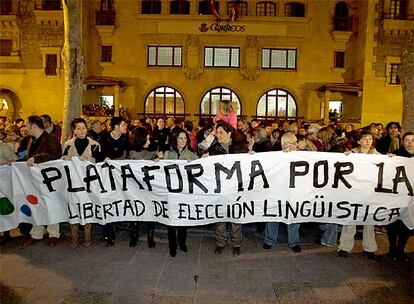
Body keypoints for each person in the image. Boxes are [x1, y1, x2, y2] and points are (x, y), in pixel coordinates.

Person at [204, 121, 248, 256]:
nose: (218, 135)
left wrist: (252, 156)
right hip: (220, 189)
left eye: (221, 132)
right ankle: (220, 243)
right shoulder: (213, 149)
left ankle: (236, 244)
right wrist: (204, 159)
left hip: (236, 188)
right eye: (216, 133)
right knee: (220, 217)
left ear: (229, 133)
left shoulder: (240, 148)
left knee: (236, 217)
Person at [338, 130, 379, 260]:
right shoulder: (353, 154)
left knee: (369, 220)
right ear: (358, 141)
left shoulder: (377, 155)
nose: (367, 141)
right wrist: (345, 157)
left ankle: (370, 248)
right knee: (351, 218)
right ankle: (344, 247)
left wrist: (390, 158)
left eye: (370, 139)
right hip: (354, 191)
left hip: (370, 192)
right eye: (365, 138)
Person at [22, 115, 62, 247]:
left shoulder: (51, 140)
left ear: (34, 126)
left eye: (27, 126)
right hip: (35, 179)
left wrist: (37, 158)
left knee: (51, 205)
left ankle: (53, 233)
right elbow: (28, 158)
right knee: (35, 204)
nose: (25, 128)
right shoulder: (31, 140)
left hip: (49, 180)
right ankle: (37, 232)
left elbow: (55, 155)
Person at [62, 118, 101, 249]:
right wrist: (65, 159)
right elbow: (61, 163)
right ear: (74, 130)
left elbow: (99, 164)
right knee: (73, 209)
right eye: (78, 128)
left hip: (88, 184)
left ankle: (88, 237)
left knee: (87, 209)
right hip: (73, 185)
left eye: (83, 127)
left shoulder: (95, 144)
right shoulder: (67, 145)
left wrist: (88, 160)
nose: (82, 130)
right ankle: (74, 238)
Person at [263, 133, 302, 253]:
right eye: (293, 143)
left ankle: (294, 242)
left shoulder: (303, 156)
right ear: (285, 144)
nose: (296, 145)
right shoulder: (274, 156)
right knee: (273, 216)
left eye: (296, 142)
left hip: (294, 192)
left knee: (294, 218)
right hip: (277, 191)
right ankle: (269, 240)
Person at [163, 130, 199, 257]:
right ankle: (172, 245)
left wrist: (201, 160)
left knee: (183, 219)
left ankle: (182, 243)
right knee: (171, 221)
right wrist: (156, 160)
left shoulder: (192, 155)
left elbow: (202, 167)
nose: (183, 141)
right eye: (180, 138)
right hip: (171, 193)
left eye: (185, 138)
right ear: (175, 139)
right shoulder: (167, 154)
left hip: (185, 193)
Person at [100, 117, 129, 246]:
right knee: (107, 200)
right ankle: (108, 233)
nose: (125, 126)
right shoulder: (104, 138)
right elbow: (98, 154)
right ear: (116, 126)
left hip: (120, 176)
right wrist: (104, 158)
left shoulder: (126, 138)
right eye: (123, 124)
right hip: (106, 176)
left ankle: (119, 222)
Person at [128, 126, 158, 249]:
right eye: (146, 139)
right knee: (135, 210)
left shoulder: (152, 150)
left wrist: (158, 159)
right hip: (134, 187)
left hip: (148, 187)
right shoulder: (129, 152)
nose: (149, 141)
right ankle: (134, 235)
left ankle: (150, 236)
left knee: (150, 210)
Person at [386, 132, 413, 261]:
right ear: (402, 141)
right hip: (397, 195)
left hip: (411, 198)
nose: (410, 143)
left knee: (407, 222)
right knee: (393, 222)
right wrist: (389, 160)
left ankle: (401, 249)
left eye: (412, 140)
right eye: (407, 140)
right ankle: (392, 248)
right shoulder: (397, 154)